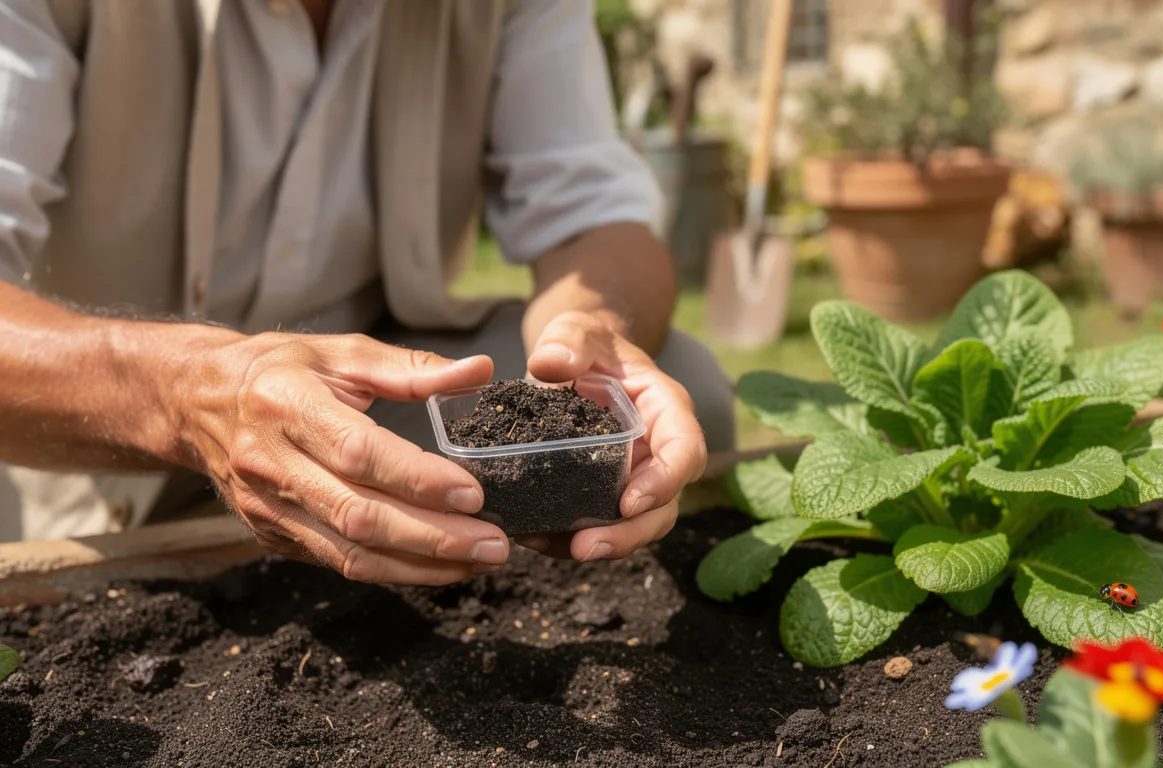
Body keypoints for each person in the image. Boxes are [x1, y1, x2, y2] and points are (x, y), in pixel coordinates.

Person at [0, 0, 735, 585]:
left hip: (366, 391)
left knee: (672, 392)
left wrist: (591, 323)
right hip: (97, 426)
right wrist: (189, 393)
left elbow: (591, 217)